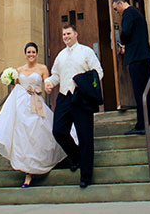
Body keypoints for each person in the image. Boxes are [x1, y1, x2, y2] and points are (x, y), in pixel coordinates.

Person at [0, 42, 78, 188]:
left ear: (37, 53)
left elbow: (48, 84)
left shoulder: (42, 68)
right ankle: (28, 173)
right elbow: (16, 86)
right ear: (25, 54)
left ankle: (44, 161)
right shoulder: (19, 70)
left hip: (36, 104)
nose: (31, 55)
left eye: (33, 52)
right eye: (28, 52)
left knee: (39, 133)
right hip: (22, 106)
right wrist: (10, 80)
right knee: (24, 137)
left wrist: (45, 89)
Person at [45, 25, 103, 188]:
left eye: (69, 33)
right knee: (58, 130)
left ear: (76, 34)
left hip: (81, 97)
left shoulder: (86, 52)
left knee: (85, 136)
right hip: (64, 96)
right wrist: (49, 83)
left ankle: (86, 176)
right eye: (64, 34)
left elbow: (98, 72)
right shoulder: (60, 56)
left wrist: (85, 84)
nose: (66, 36)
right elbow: (56, 75)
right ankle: (76, 157)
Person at [112, 0, 150, 135]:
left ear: (120, 3)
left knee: (140, 92)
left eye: (115, 8)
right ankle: (148, 123)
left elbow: (125, 32)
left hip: (137, 57)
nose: (116, 12)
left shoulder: (129, 13)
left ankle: (144, 124)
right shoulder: (136, 13)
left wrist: (123, 42)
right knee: (145, 92)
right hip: (141, 56)